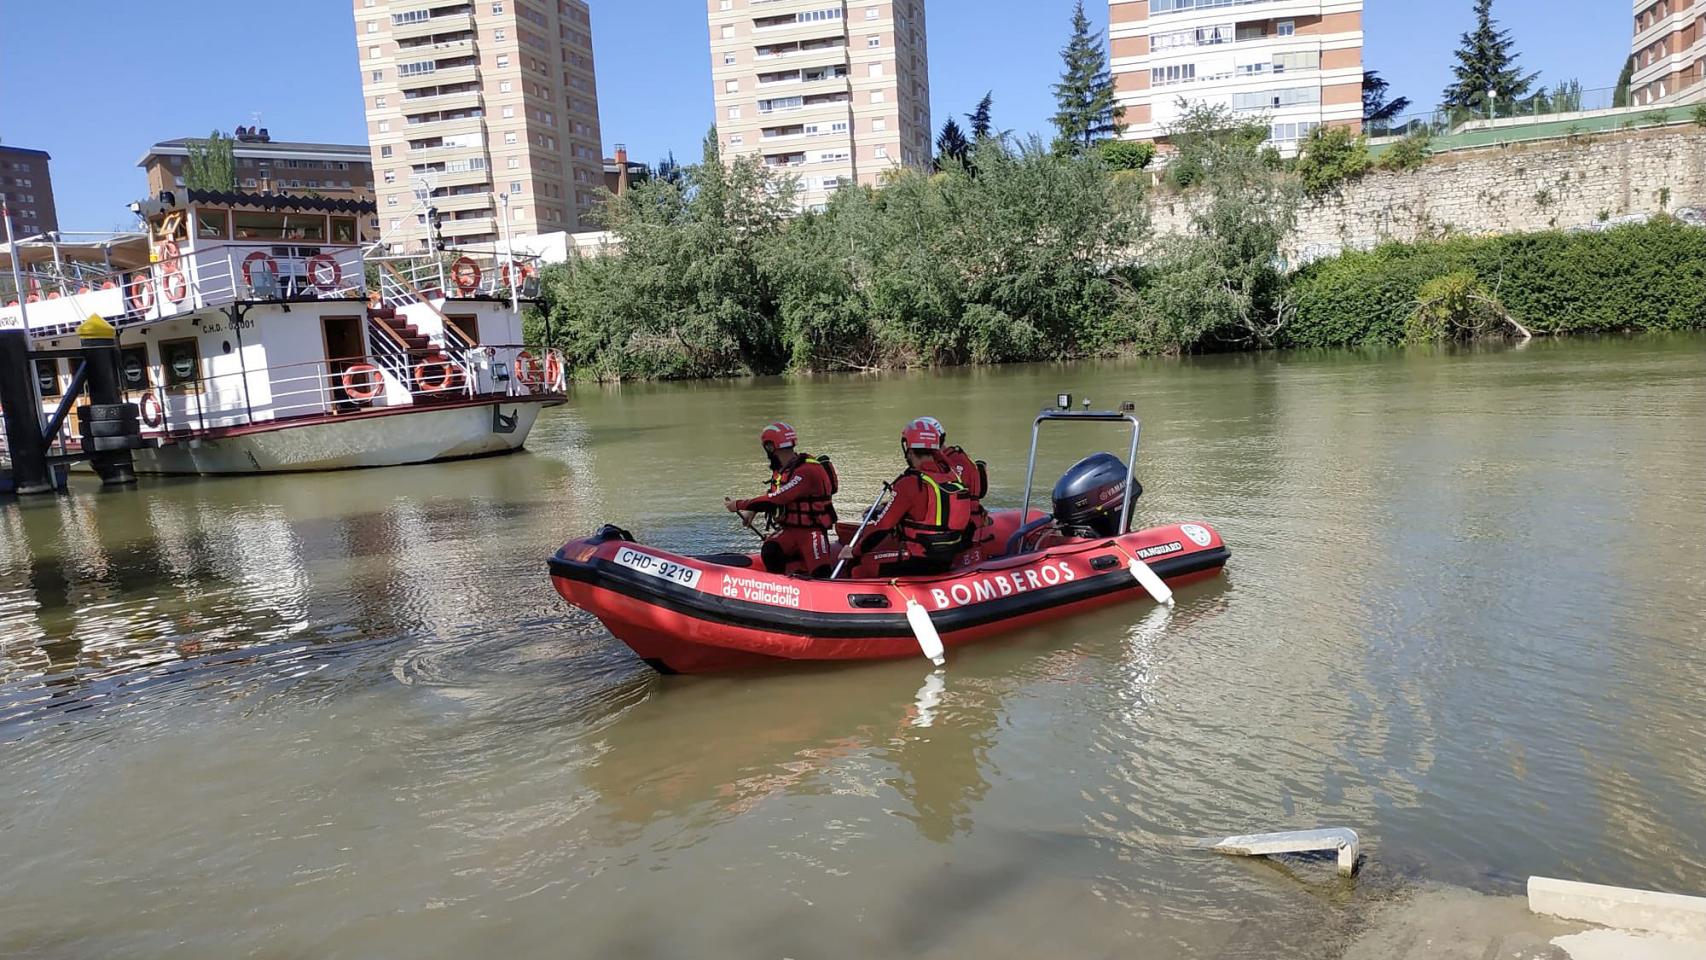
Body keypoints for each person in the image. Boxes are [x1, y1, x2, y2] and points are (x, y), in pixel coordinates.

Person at [840, 418, 977, 578]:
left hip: (919, 559)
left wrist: (854, 551)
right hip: (947, 556)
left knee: (857, 565)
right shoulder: (951, 475)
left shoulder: (909, 483)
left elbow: (882, 526)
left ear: (909, 450)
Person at [726, 421, 839, 577]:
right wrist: (752, 511)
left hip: (812, 532)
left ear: (770, 447)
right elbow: (775, 491)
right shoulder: (784, 469)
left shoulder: (807, 471)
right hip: (790, 530)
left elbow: (777, 498)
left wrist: (738, 504)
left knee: (821, 573)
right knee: (770, 550)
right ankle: (779, 584)